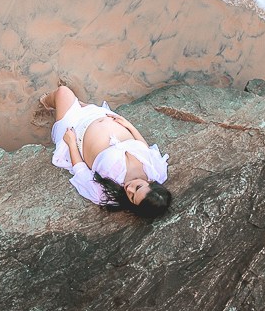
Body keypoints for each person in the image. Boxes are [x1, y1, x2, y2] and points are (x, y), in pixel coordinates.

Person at [41, 85, 172, 217]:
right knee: (78, 103)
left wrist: (71, 143)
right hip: (102, 116)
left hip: (76, 128)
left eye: (132, 197)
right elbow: (146, 148)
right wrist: (130, 126)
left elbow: (81, 171)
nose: (129, 189)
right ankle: (81, 106)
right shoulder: (156, 171)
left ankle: (46, 102)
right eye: (137, 188)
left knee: (63, 92)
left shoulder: (106, 193)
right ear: (152, 182)